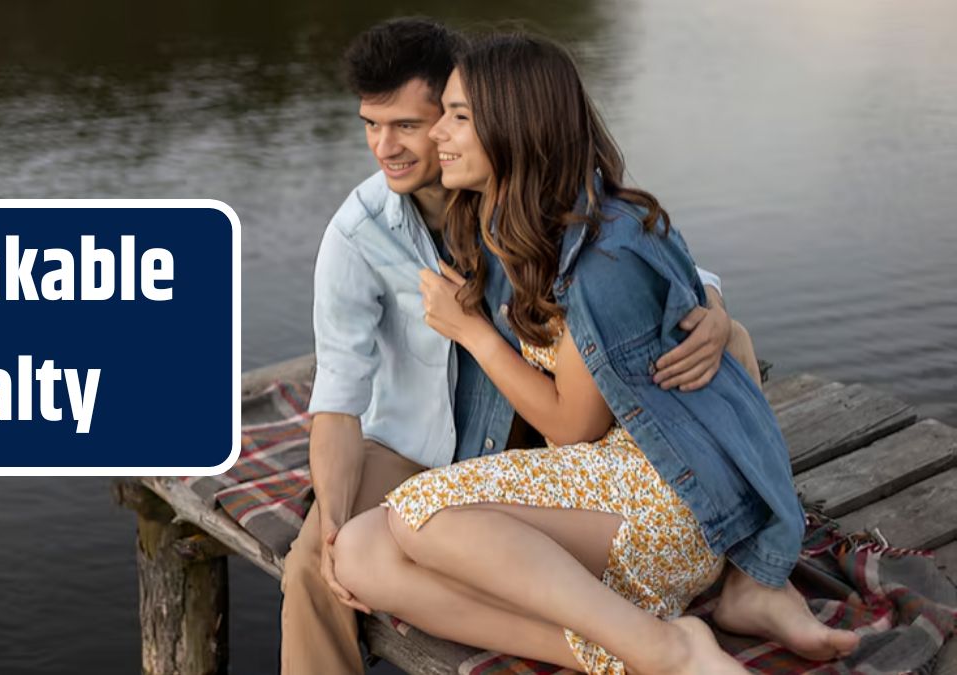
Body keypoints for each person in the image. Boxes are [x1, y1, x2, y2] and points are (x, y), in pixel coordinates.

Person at [331, 33, 861, 674]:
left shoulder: (600, 253)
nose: (436, 133)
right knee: (360, 550)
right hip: (605, 484)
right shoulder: (503, 223)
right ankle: (631, 650)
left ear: (516, 125)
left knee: (419, 514)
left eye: (459, 116)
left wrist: (469, 332)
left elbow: (570, 426)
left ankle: (660, 647)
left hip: (669, 500)